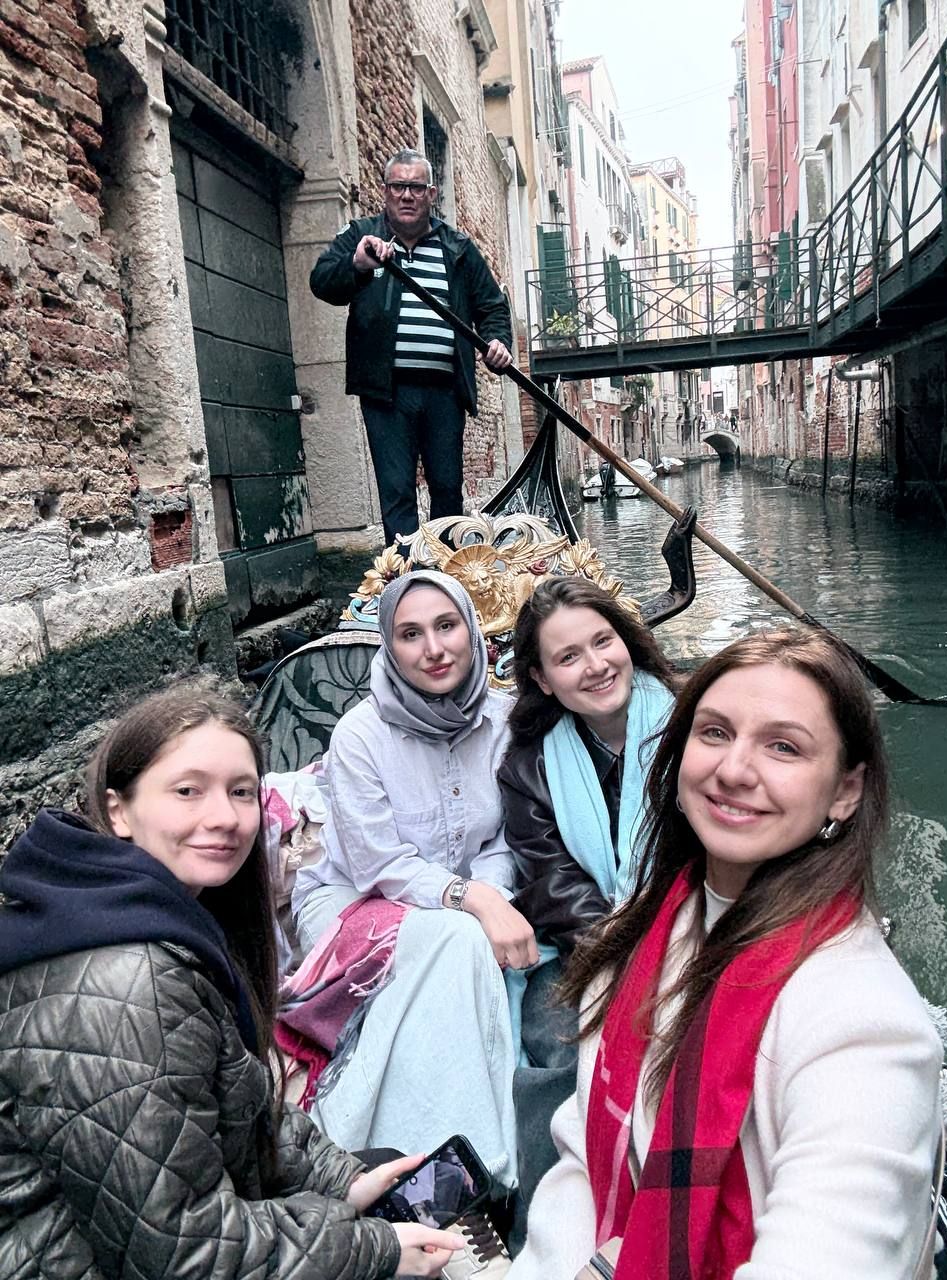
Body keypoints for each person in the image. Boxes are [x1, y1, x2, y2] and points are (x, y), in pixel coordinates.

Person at [510, 628, 943, 1280]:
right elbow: (583, 1162)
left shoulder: (864, 1025)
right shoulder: (637, 937)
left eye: (783, 747)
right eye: (714, 733)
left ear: (845, 791)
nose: (734, 770)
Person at [0, 683, 465, 1280]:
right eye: (188, 791)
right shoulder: (129, 983)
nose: (224, 817)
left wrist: (342, 1182)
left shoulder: (135, 915)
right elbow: (183, 1252)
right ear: (118, 810)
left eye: (241, 791)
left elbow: (230, 1098)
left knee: (382, 1173)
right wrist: (374, 1250)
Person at [292, 570, 536, 1198]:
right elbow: (378, 864)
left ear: (472, 631)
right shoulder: (359, 735)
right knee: (459, 941)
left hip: (459, 903)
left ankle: (431, 1164)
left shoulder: (504, 722)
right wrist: (472, 901)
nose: (433, 649)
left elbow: (504, 841)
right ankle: (464, 1173)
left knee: (460, 943)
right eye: (410, 634)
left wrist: (487, 895)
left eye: (446, 626)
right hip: (350, 899)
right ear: (390, 647)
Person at [497, 578, 675, 1230]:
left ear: (627, 641)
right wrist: (620, 950)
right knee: (556, 1044)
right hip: (583, 944)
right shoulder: (528, 764)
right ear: (543, 680)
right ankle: (548, 1228)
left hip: (691, 923)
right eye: (568, 657)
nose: (595, 665)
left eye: (603, 642)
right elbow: (550, 880)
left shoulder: (696, 725)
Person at [310, 148, 513, 548]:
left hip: (445, 391)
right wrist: (357, 264)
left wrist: (497, 342)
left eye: (416, 187)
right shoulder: (361, 237)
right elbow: (322, 281)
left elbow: (492, 306)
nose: (407, 195)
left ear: (431, 194)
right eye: (398, 186)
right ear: (385, 191)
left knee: (448, 492)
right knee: (396, 491)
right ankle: (406, 573)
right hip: (385, 392)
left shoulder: (458, 248)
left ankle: (448, 571)